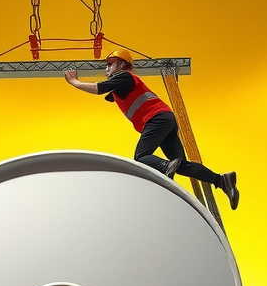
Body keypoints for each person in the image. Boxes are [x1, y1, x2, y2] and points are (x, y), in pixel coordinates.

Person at [63, 49, 240, 210]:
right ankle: (222, 180)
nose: (106, 69)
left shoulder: (125, 77)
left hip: (157, 119)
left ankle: (165, 166)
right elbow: (110, 93)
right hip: (164, 119)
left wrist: (75, 82)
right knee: (181, 165)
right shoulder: (121, 85)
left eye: (110, 64)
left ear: (123, 65)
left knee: (141, 157)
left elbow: (98, 88)